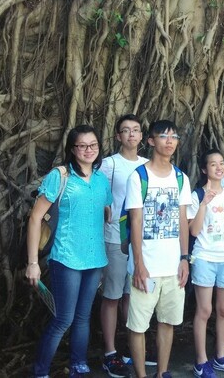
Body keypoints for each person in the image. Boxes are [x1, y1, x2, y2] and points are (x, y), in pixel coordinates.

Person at [26, 125, 112, 378]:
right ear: (72, 149)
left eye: (93, 145)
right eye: (82, 146)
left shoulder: (100, 179)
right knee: (63, 318)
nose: (89, 150)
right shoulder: (60, 176)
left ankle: (78, 364)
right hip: (66, 258)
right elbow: (35, 219)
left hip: (95, 258)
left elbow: (105, 211)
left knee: (84, 317)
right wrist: (32, 262)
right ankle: (40, 372)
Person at [124, 120, 192, 378]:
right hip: (147, 267)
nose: (170, 141)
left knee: (168, 322)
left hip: (173, 266)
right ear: (151, 141)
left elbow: (182, 220)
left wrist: (185, 258)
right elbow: (136, 221)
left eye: (174, 137)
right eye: (163, 136)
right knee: (139, 325)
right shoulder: (139, 177)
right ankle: (141, 375)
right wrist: (139, 264)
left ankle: (162, 372)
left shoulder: (180, 177)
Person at [188, 149, 224, 377]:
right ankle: (201, 361)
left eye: (221, 163)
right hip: (204, 258)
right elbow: (193, 230)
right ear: (204, 169)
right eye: (213, 164)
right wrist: (203, 204)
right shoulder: (196, 195)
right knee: (204, 310)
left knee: (223, 310)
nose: (219, 167)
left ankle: (220, 357)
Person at [99, 115, 148, 377]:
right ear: (118, 136)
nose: (131, 134)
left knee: (133, 295)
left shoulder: (148, 165)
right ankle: (109, 353)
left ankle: (133, 350)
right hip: (115, 239)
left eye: (136, 130)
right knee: (112, 296)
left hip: (141, 242)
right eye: (126, 131)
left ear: (142, 136)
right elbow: (101, 199)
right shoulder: (110, 165)